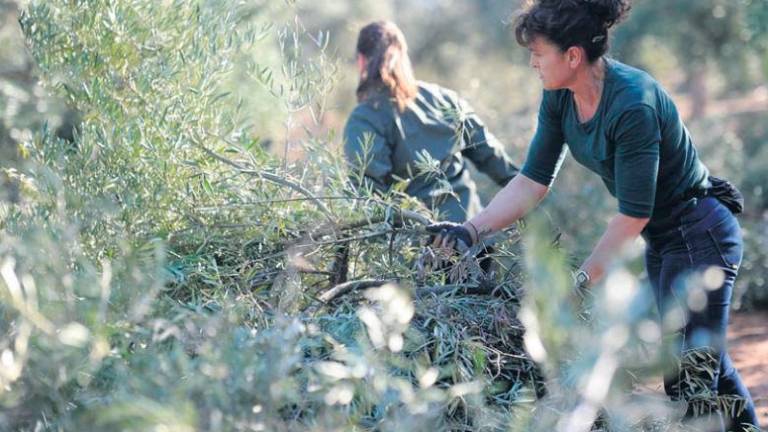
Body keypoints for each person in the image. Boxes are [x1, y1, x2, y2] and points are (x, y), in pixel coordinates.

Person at [428, 0, 758, 430]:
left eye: (538, 53)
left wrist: (579, 283)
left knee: (690, 377)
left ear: (572, 56)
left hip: (701, 234)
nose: (532, 63)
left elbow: (632, 217)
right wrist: (470, 231)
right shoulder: (560, 97)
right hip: (666, 241)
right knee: (706, 365)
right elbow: (532, 181)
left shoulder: (632, 104)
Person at [344, 21, 519, 223]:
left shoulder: (365, 118)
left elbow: (369, 196)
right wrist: (532, 199)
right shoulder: (445, 99)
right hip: (473, 235)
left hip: (418, 246)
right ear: (403, 57)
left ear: (361, 61)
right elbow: (494, 159)